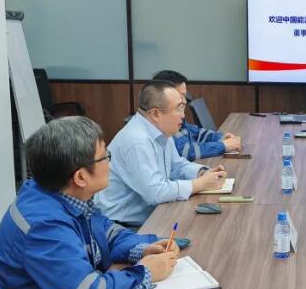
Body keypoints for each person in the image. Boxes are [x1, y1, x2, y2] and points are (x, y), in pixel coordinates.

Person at [0, 116, 179, 289]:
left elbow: (104, 230)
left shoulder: (59, 192)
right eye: (105, 156)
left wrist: (142, 248)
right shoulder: (45, 226)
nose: (110, 163)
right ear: (80, 177)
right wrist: (146, 272)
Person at [96, 79, 227, 227]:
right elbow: (155, 192)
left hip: (152, 215)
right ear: (156, 114)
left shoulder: (161, 130)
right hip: (123, 227)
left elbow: (176, 165)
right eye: (178, 109)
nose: (183, 115)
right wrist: (198, 184)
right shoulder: (137, 140)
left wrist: (202, 173)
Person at [152, 69, 242, 160]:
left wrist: (221, 138)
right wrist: (222, 146)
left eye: (185, 95)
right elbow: (187, 152)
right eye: (181, 95)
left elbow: (196, 133)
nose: (185, 101)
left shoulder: (177, 116)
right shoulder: (164, 121)